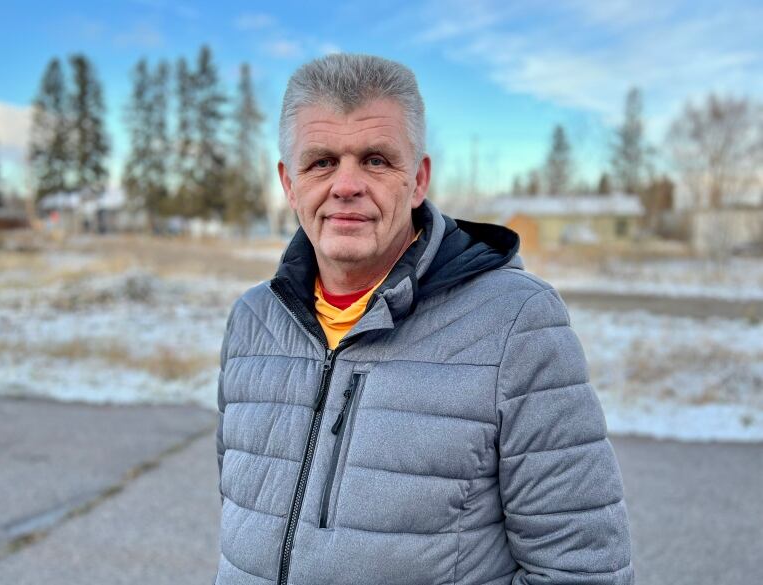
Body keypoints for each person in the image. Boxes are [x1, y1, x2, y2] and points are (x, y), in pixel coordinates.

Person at [214, 53, 634, 585]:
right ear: (289, 183)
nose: (346, 184)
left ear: (418, 181)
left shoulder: (515, 323)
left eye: (375, 160)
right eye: (320, 161)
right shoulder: (253, 319)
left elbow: (582, 569)